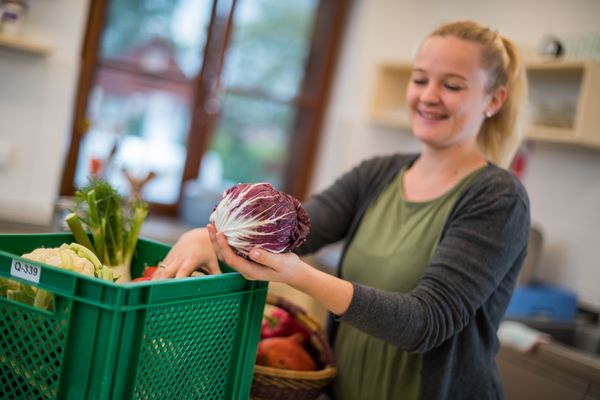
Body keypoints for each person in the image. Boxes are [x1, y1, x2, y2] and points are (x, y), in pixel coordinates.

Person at [153, 20, 530, 400]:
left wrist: (299, 277)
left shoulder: (498, 198)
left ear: (494, 100)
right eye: (420, 79)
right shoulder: (377, 174)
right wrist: (207, 233)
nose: (428, 96)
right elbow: (293, 233)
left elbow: (426, 322)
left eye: (452, 85)